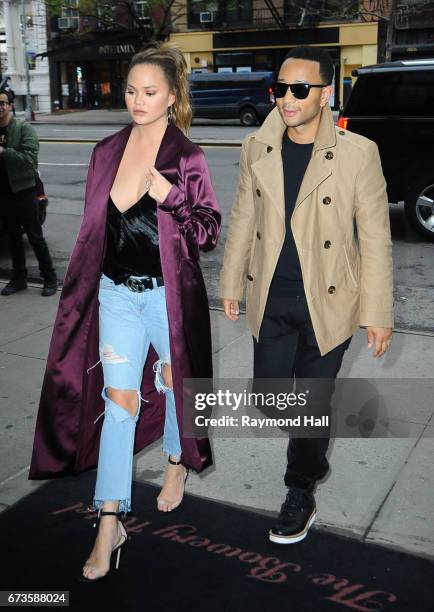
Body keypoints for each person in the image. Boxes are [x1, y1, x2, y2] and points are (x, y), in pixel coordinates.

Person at [28, 42, 221, 580]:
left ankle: (178, 461)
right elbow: (95, 231)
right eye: (131, 90)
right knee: (119, 405)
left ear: (172, 96)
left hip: (167, 297)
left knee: (178, 383)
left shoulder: (186, 156)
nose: (137, 100)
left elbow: (207, 233)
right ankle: (110, 523)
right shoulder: (106, 150)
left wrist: (171, 196)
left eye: (149, 92)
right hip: (116, 295)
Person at [219, 46, 393, 545]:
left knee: (313, 402)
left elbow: (375, 237)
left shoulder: (358, 153)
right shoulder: (257, 146)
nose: (287, 99)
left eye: (300, 89)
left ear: (325, 94)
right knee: (271, 399)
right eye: (281, 89)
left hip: (329, 301)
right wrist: (231, 282)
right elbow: (244, 221)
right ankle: (312, 435)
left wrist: (378, 311)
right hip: (270, 298)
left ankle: (300, 488)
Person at [0, 88, 57, 296]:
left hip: (25, 191)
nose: (0, 107)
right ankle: (18, 279)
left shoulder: (23, 129)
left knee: (34, 236)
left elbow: (30, 160)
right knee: (13, 237)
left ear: (10, 105)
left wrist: (5, 152)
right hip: (4, 194)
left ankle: (49, 278)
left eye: (3, 103)